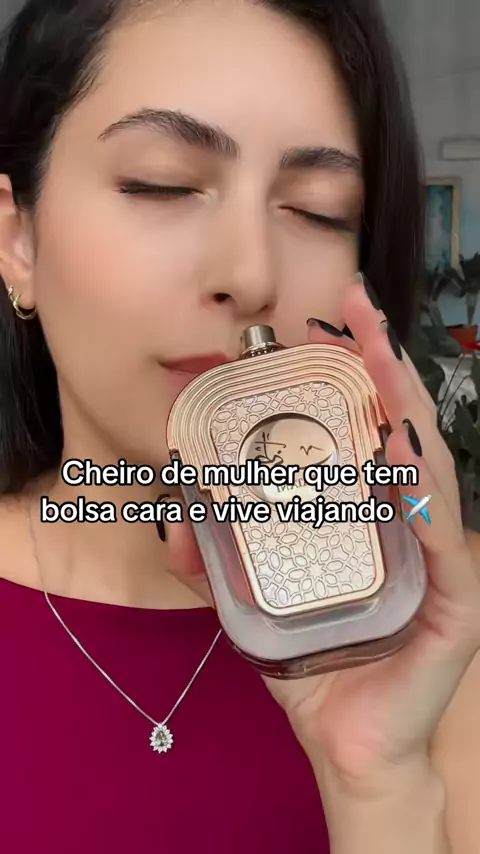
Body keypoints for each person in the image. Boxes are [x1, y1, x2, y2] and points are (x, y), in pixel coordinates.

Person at [0, 0, 479, 851]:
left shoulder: (451, 621)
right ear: (17, 241)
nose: (252, 275)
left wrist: (378, 785)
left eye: (320, 210)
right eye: (163, 184)